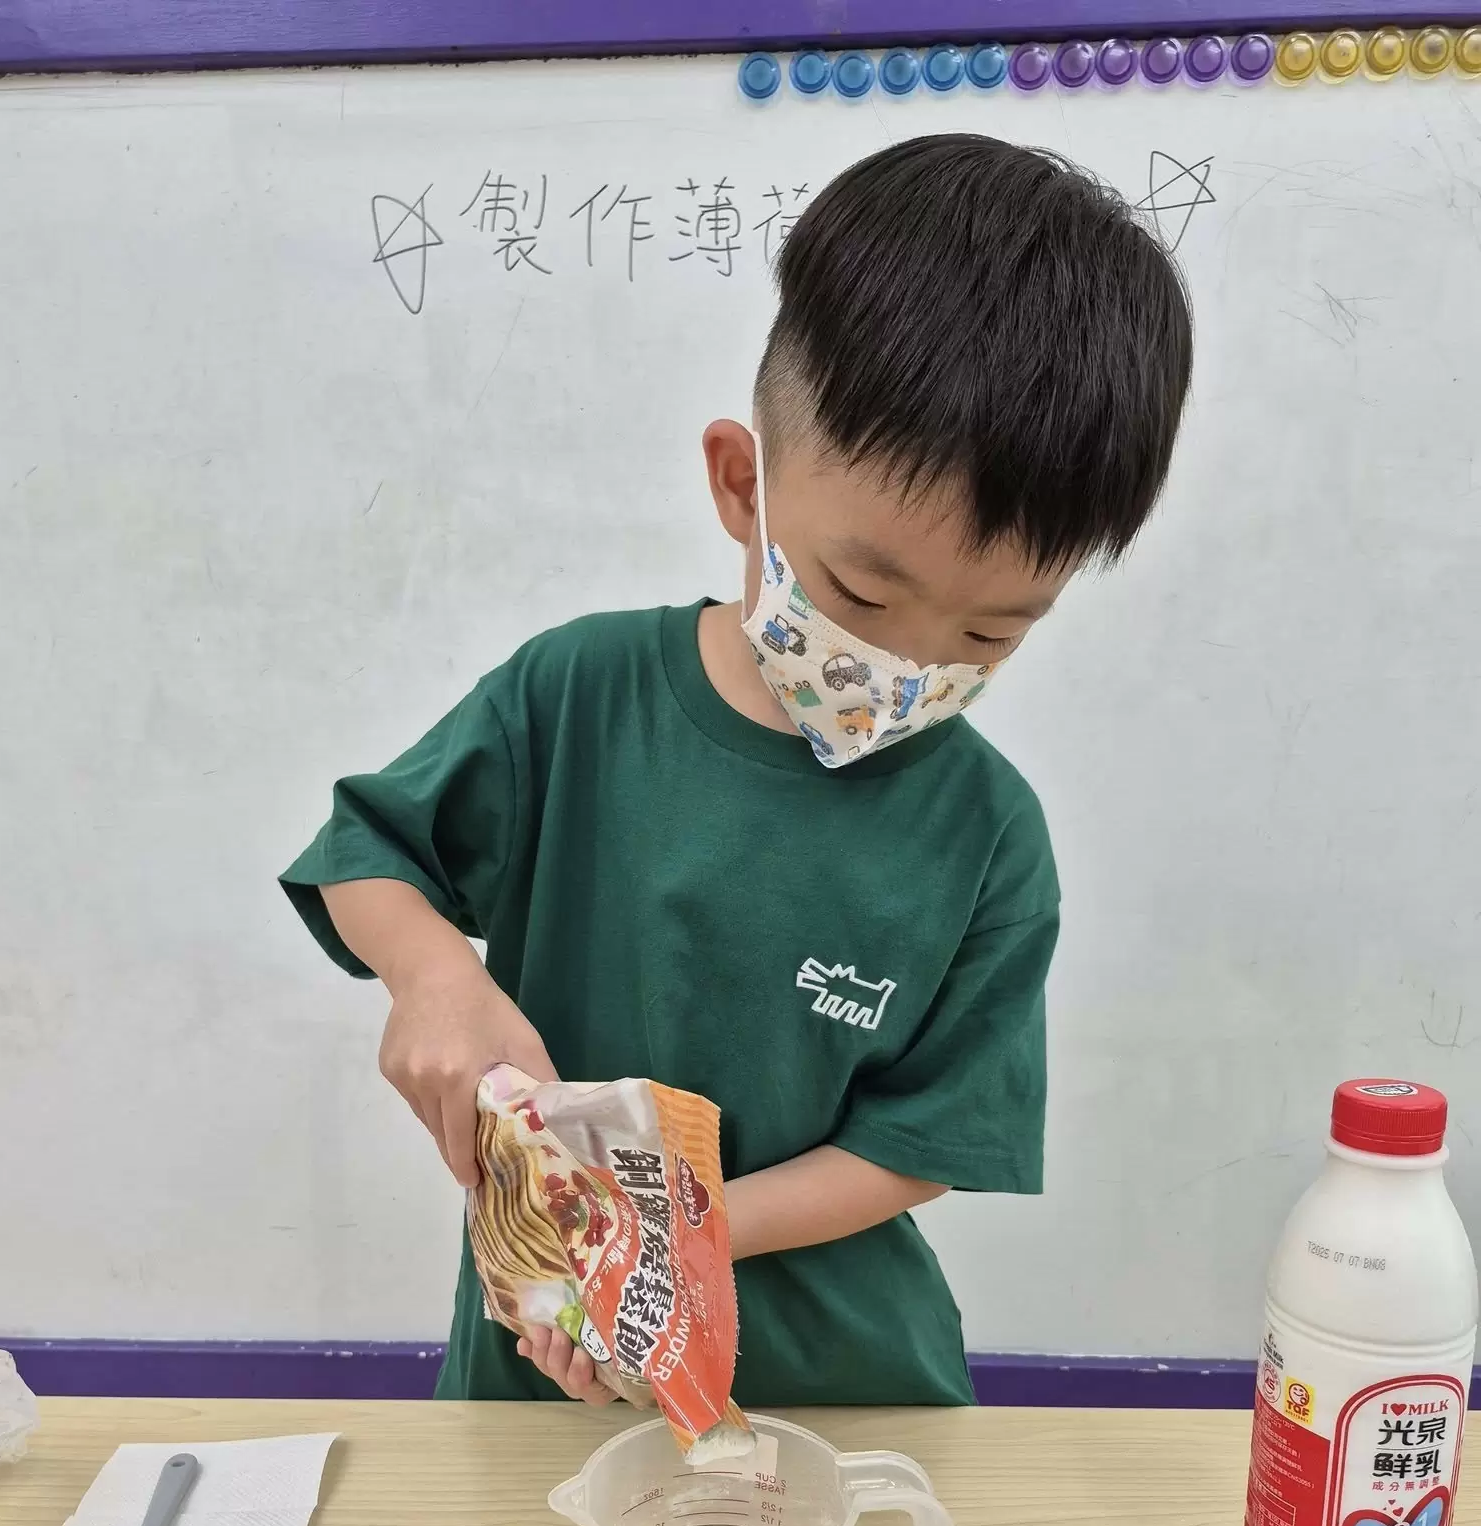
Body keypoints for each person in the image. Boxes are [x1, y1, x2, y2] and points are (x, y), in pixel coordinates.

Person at [281, 134, 1192, 1408]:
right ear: (741, 483)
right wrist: (434, 977)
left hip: (845, 1389)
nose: (908, 662)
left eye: (992, 632)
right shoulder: (578, 696)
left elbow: (920, 1139)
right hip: (548, 1363)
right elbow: (365, 854)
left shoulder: (988, 835)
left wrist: (681, 1231)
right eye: (861, 590)